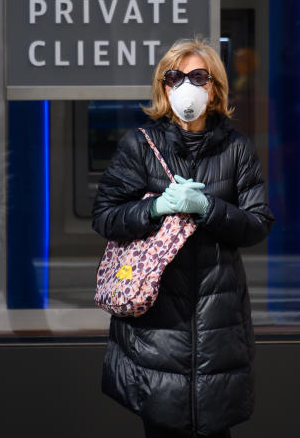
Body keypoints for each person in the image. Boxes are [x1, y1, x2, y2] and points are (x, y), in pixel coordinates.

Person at [92, 37, 274, 438]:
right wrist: (155, 208)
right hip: (157, 329)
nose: (185, 86)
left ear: (215, 89)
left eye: (197, 76)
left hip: (218, 327)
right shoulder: (139, 146)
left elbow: (258, 223)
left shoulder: (237, 149)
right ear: (163, 87)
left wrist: (208, 210)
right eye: (174, 77)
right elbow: (105, 217)